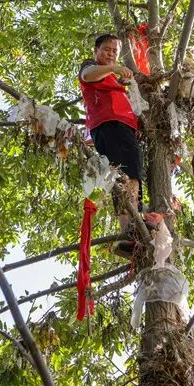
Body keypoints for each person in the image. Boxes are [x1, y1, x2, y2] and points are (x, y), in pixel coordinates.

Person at [79, 33, 142, 256]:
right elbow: (87, 76)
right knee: (126, 174)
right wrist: (114, 68)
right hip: (110, 124)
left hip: (122, 127)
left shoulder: (113, 79)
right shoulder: (91, 67)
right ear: (96, 50)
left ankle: (131, 230)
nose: (111, 54)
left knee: (130, 174)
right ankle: (128, 230)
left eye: (115, 51)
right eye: (106, 49)